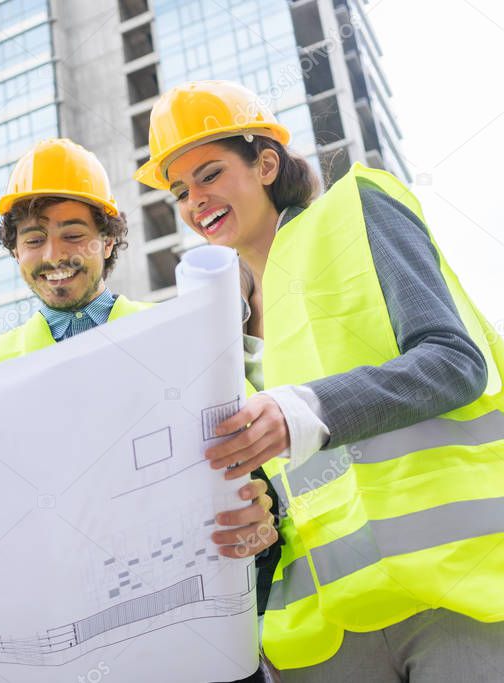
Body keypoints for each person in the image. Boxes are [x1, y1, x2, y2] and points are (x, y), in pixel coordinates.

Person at [0, 138, 280, 682]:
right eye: (34, 239)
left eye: (74, 235)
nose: (54, 255)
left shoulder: (176, 340)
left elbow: (257, 476)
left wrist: (261, 519)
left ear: (108, 242)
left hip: (175, 640)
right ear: (16, 252)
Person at [133, 79, 504, 681]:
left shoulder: (355, 211)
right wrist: (260, 517)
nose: (195, 200)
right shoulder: (220, 333)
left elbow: (454, 362)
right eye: (179, 191)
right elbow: (288, 488)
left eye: (209, 174)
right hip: (323, 634)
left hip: (452, 593)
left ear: (265, 164)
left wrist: (301, 412)